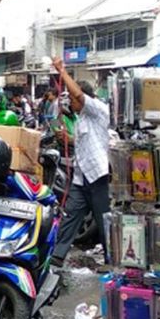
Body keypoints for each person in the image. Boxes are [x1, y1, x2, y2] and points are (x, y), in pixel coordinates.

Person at [49, 56, 111, 269]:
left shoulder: (97, 110)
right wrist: (69, 140)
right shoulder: (81, 119)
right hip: (80, 176)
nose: (71, 104)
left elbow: (77, 94)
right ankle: (57, 256)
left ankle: (111, 259)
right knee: (71, 215)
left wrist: (61, 71)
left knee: (104, 221)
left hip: (97, 176)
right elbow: (86, 141)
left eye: (73, 101)